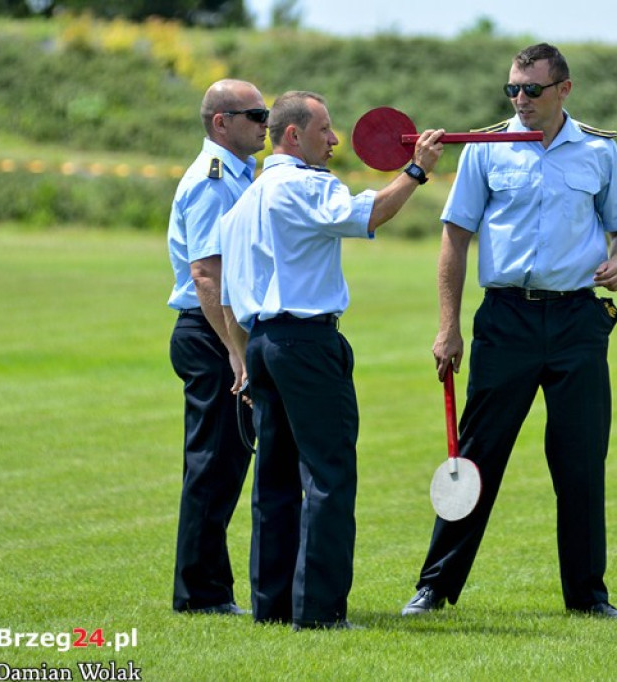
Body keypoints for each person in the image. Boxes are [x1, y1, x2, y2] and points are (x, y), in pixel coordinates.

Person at [400, 43, 617, 620]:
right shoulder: (487, 148)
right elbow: (454, 237)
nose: (520, 100)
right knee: (476, 457)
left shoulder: (600, 151)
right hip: (505, 320)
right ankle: (435, 586)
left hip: (578, 320)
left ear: (564, 89)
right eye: (513, 89)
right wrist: (447, 328)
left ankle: (588, 598)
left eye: (531, 89)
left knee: (581, 459)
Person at [218, 90, 444, 630]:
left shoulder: (246, 199)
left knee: (273, 481)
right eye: (325, 130)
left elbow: (228, 292)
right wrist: (416, 170)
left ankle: (272, 606)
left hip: (264, 345)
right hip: (306, 343)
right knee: (329, 476)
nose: (335, 140)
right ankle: (319, 612)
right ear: (293, 136)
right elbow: (369, 214)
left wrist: (244, 357)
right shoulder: (302, 184)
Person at [166, 79, 268, 615]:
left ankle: (208, 589)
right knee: (212, 465)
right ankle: (200, 595)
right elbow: (206, 272)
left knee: (225, 464)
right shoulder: (212, 180)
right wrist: (236, 348)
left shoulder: (239, 174)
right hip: (211, 334)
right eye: (255, 113)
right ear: (220, 123)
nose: (265, 121)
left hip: (219, 331)